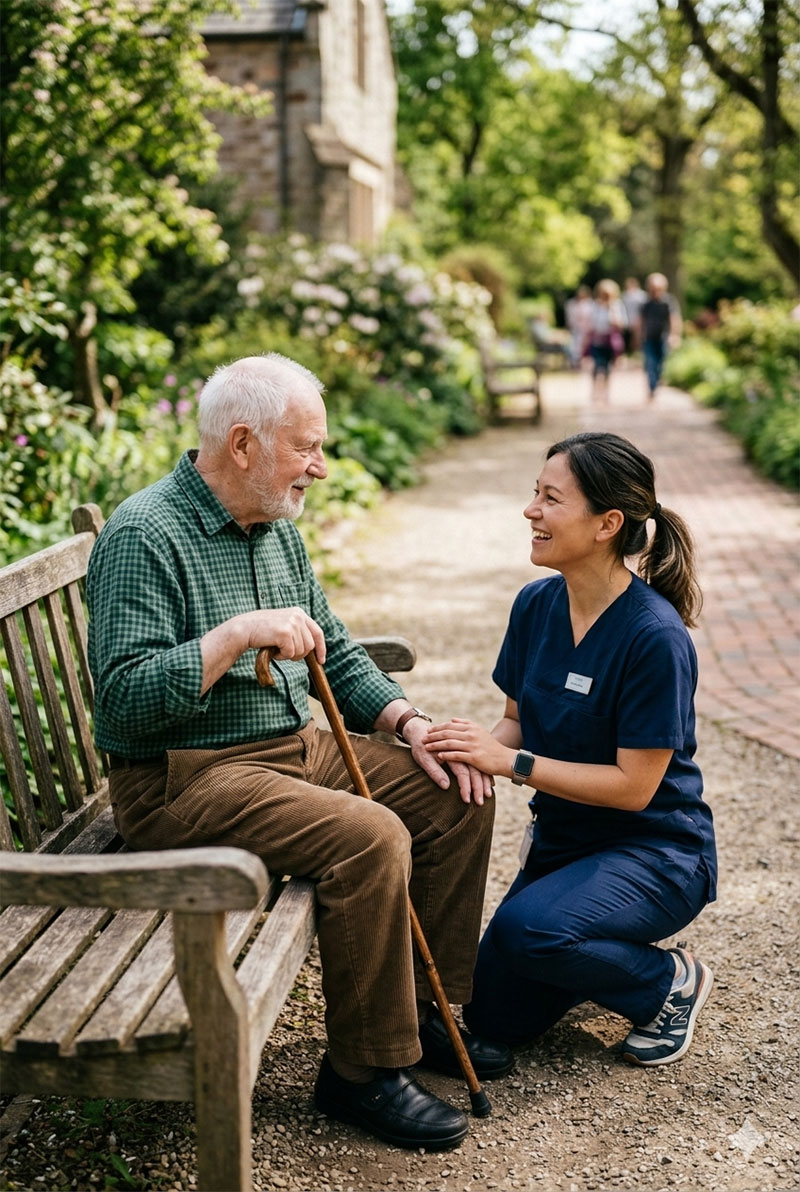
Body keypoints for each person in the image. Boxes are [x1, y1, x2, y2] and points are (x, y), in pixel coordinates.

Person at [85, 353, 512, 1152]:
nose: (320, 466)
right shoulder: (144, 535)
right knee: (368, 835)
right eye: (305, 447)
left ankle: (424, 1015)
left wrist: (408, 723)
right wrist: (235, 636)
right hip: (184, 779)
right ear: (242, 444)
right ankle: (362, 1072)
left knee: (453, 787)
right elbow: (123, 705)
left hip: (290, 752)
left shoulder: (275, 528)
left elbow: (336, 651)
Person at [424, 431, 717, 1068]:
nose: (531, 510)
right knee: (493, 1016)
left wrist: (514, 766)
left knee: (532, 933)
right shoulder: (535, 606)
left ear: (608, 523)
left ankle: (666, 984)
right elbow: (515, 724)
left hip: (655, 850)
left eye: (550, 498)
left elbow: (634, 787)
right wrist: (469, 750)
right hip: (564, 847)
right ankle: (581, 939)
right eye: (535, 493)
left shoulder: (654, 637)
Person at [639, 272, 682, 399]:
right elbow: (641, 321)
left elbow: (674, 319)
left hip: (663, 337)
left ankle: (656, 382)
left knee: (661, 363)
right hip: (649, 338)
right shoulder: (645, 303)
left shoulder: (668, 301)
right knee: (650, 363)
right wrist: (639, 336)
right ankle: (652, 387)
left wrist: (675, 335)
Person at [586, 279, 627, 404]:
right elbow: (591, 324)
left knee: (608, 368)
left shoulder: (617, 305)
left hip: (610, 342)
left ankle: (606, 393)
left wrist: (611, 313)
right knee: (597, 367)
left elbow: (622, 323)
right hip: (597, 341)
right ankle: (594, 391)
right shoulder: (595, 306)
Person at [565, 284, 594, 368]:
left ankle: (583, 361)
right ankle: (576, 362)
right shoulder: (571, 304)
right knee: (575, 346)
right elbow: (570, 317)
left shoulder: (590, 304)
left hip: (586, 328)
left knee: (584, 346)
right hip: (576, 328)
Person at [621, 277, 647, 358]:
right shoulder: (625, 295)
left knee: (638, 336)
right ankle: (631, 352)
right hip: (628, 318)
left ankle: (638, 351)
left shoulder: (641, 295)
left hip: (638, 319)